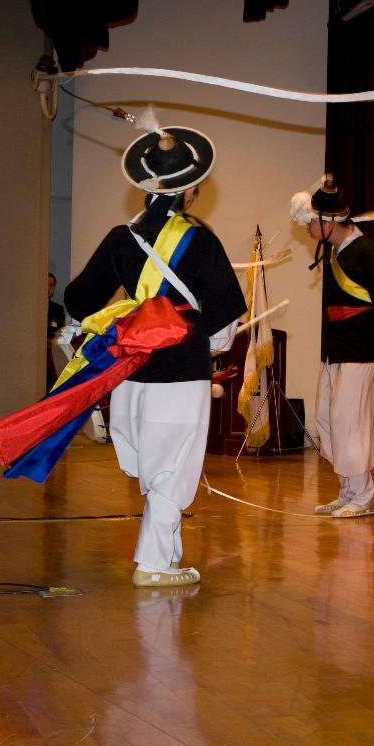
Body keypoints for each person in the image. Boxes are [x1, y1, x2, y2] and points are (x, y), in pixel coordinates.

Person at [64, 125, 244, 587]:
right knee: (175, 464)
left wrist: (127, 313)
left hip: (132, 366)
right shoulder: (201, 239)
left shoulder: (120, 237)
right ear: (191, 191)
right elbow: (224, 322)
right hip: (181, 366)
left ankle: (167, 552)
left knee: (154, 463)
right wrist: (210, 345)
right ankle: (154, 563)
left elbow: (79, 299)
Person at [291, 175, 374, 517]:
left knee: (351, 421)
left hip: (362, 351)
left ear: (328, 221)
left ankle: (362, 496)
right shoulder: (337, 252)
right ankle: (347, 490)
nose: (308, 228)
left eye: (311, 221)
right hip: (338, 351)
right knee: (330, 419)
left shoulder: (368, 252)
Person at [46, 272, 67, 391]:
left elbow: (59, 331)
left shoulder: (58, 309)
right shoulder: (30, 307)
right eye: (46, 285)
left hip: (51, 352)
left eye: (52, 285)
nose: (49, 288)